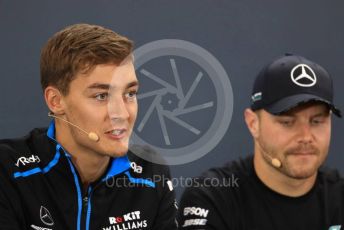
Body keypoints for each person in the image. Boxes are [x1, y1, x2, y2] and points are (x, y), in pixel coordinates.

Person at [0, 23, 177, 230]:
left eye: (130, 93)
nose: (122, 114)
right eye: (101, 96)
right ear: (56, 101)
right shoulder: (7, 171)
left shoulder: (150, 172)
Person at [177, 54, 344, 230]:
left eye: (316, 121)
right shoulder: (213, 197)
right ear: (253, 123)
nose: (305, 136)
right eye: (287, 122)